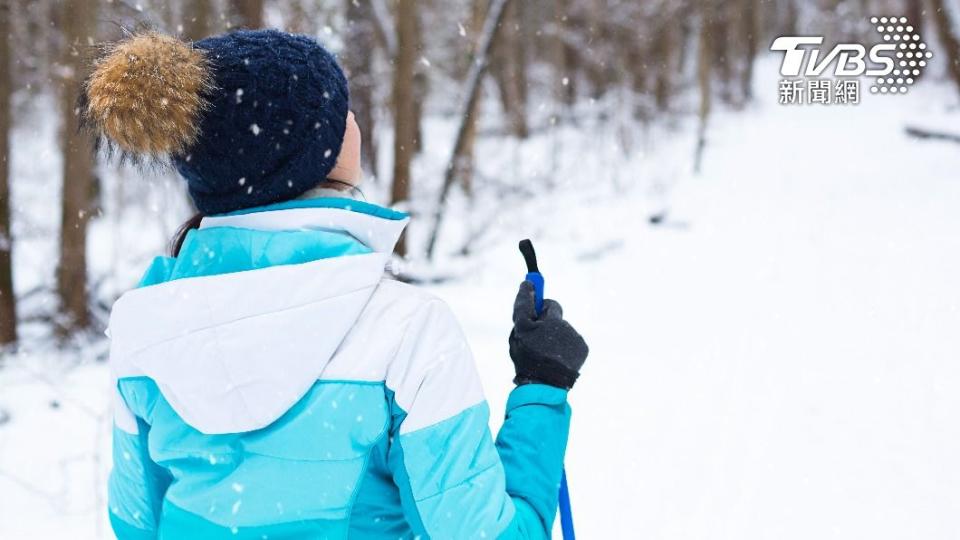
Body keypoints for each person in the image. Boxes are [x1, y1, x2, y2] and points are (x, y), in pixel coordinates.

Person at [89, 29, 588, 540]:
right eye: (341, 110)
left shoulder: (144, 325)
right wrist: (541, 387)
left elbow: (136, 526)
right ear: (312, 150)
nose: (352, 121)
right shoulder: (406, 329)